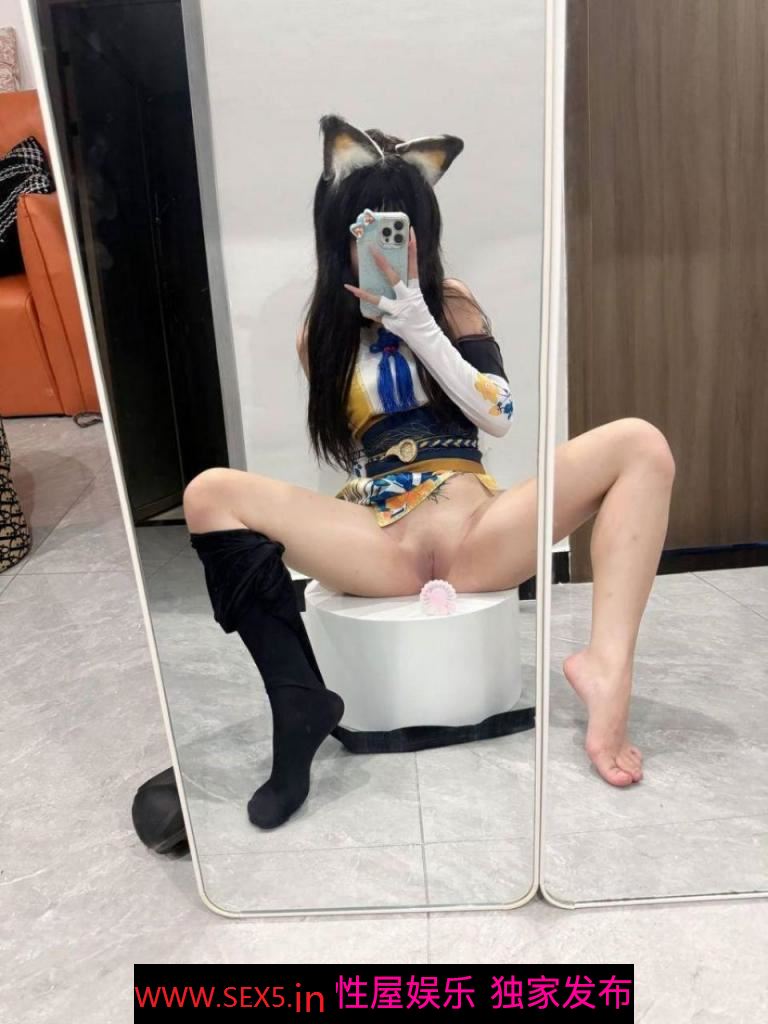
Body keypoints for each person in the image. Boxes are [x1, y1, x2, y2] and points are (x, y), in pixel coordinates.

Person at [184, 114, 675, 830]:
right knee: (209, 493)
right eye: (365, 231)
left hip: (478, 532)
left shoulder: (451, 303)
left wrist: (420, 323)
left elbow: (499, 414)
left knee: (641, 445)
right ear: (336, 235)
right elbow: (354, 440)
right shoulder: (318, 335)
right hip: (382, 540)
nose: (382, 247)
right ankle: (297, 703)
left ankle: (608, 669)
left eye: (398, 230)